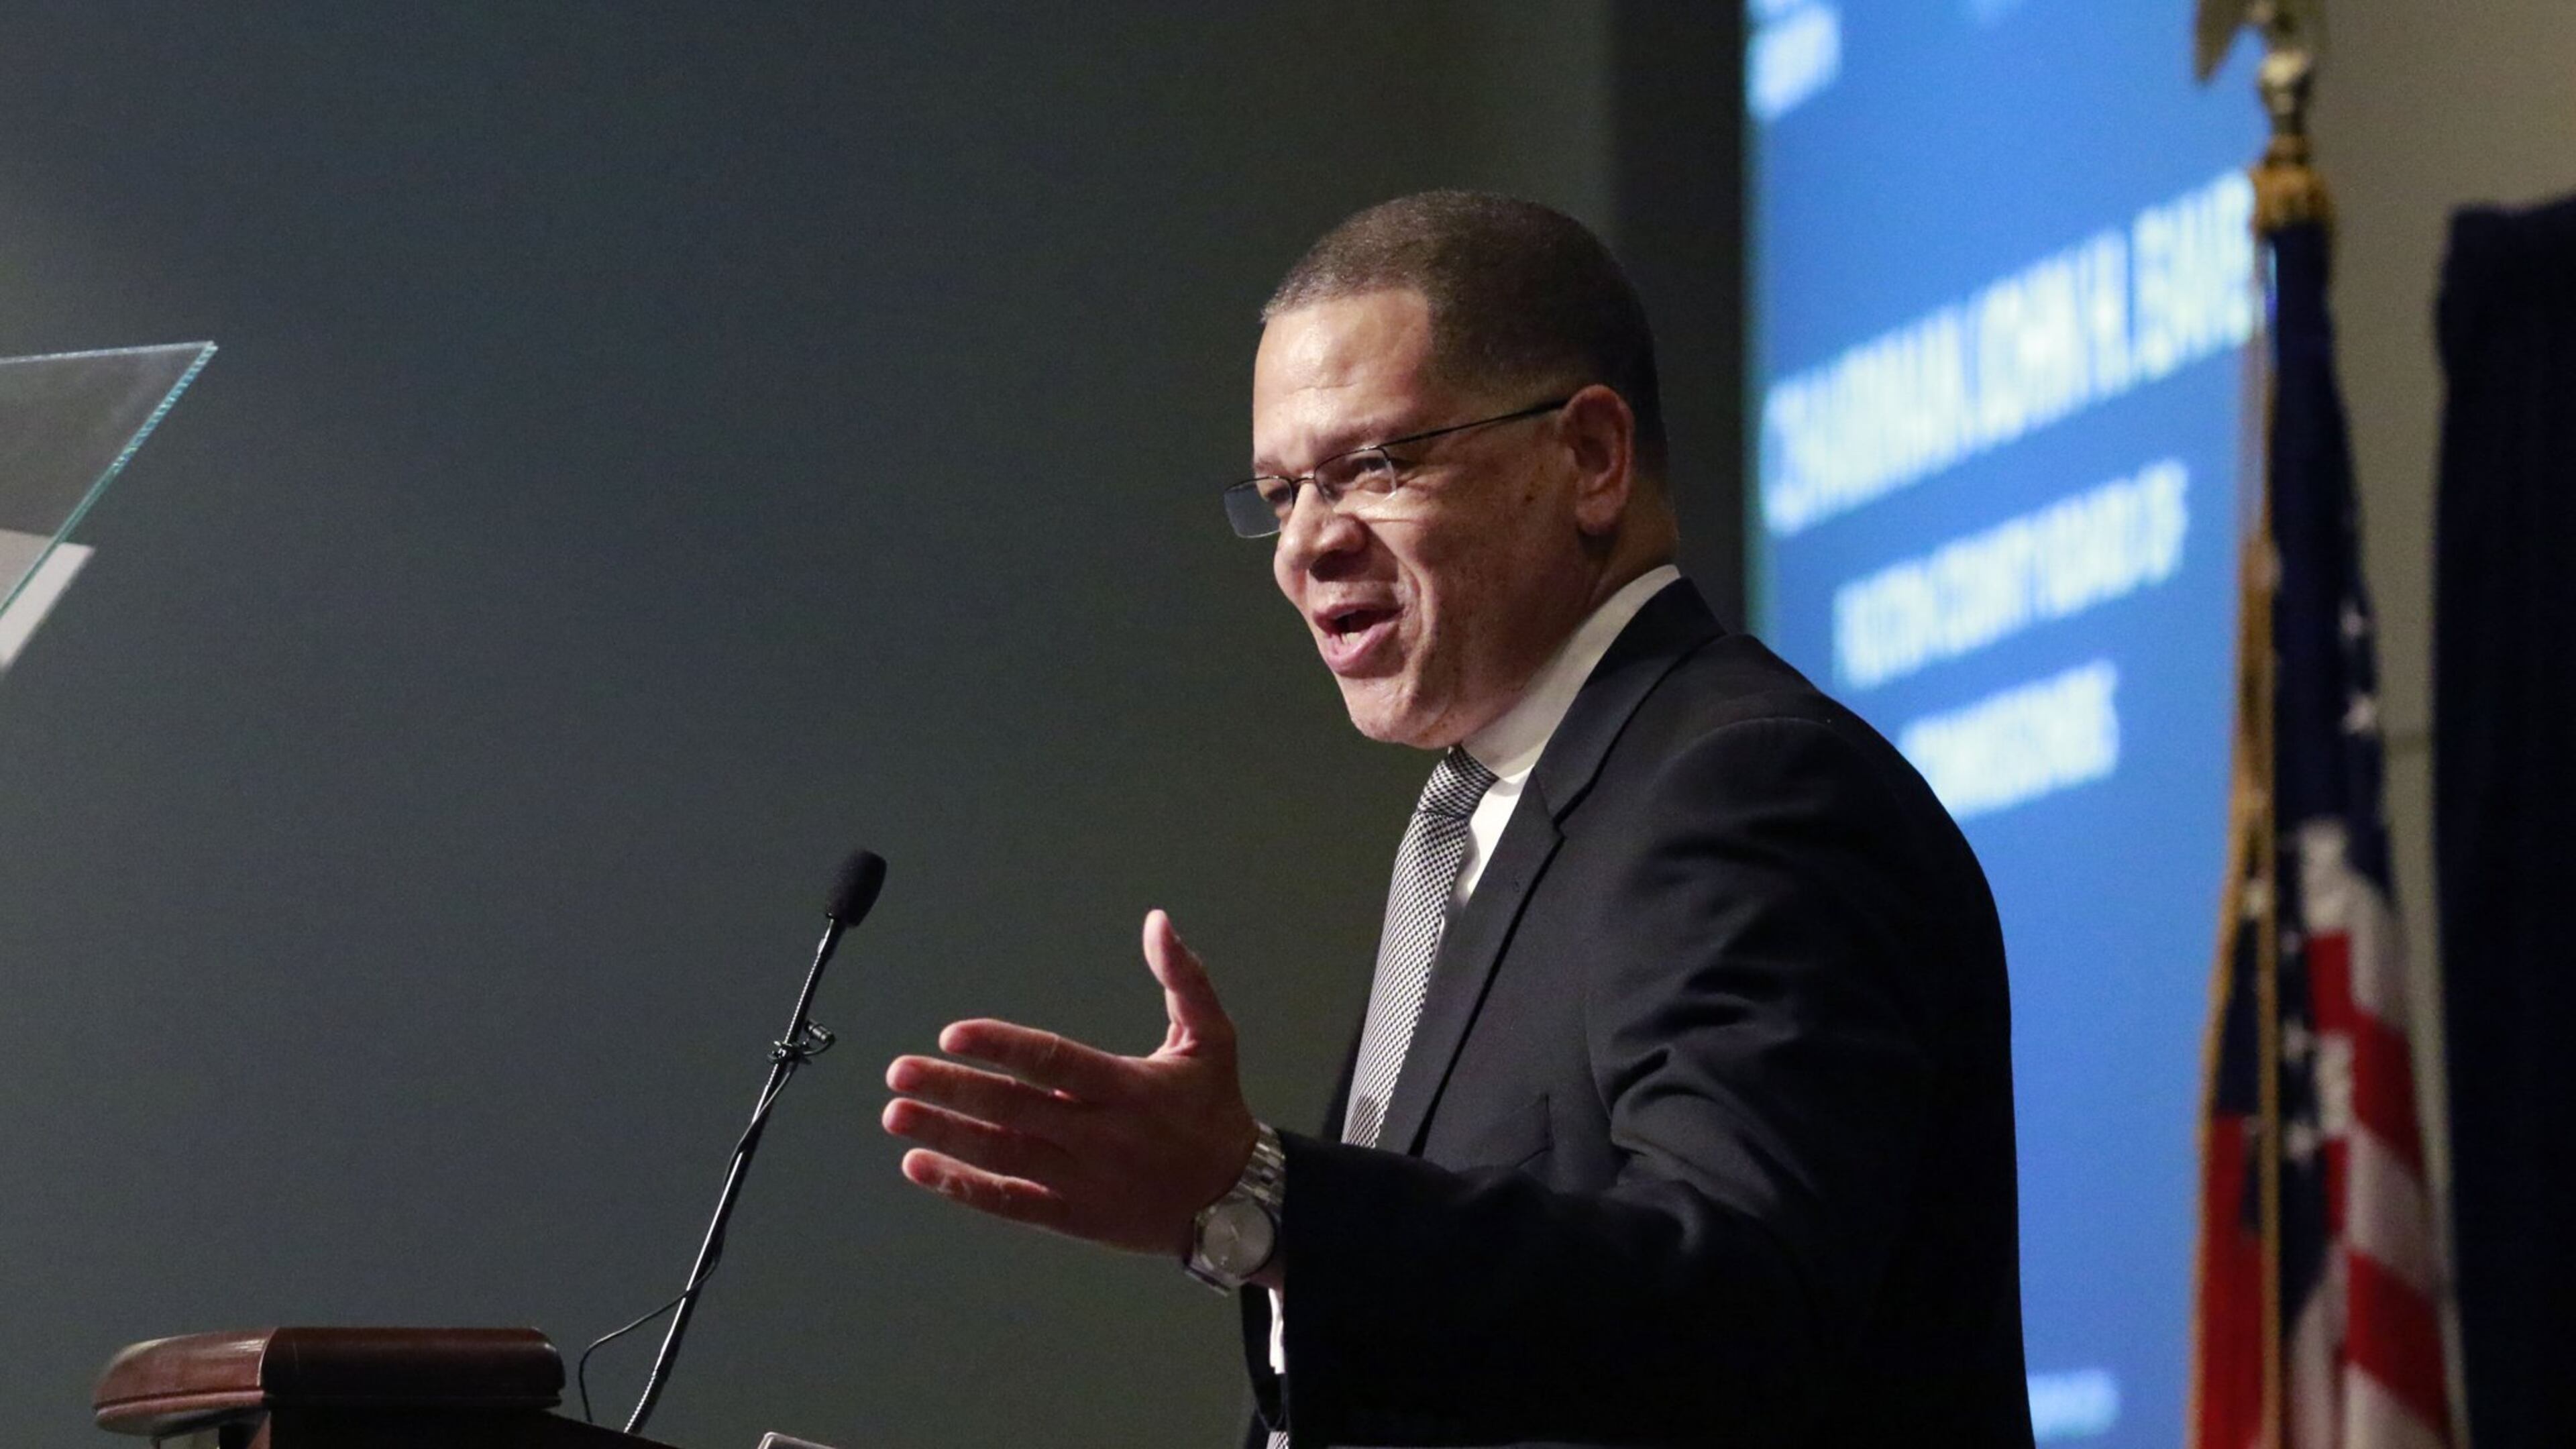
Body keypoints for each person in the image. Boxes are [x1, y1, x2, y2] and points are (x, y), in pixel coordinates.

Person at [881, 191, 2032, 1448]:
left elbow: (1744, 1300)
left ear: (1590, 457)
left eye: (1372, 467)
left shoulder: (1744, 787)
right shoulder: (1482, 818)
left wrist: (1257, 1197)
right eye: (1280, 491)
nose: (1306, 546)